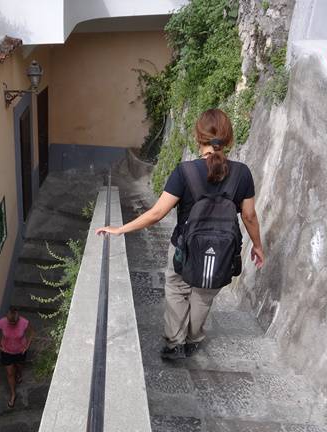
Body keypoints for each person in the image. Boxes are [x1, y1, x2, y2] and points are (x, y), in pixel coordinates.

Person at [97, 109, 264, 360]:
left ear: (198, 138)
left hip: (183, 249)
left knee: (177, 288)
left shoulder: (185, 172)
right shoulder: (242, 173)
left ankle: (174, 341)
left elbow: (157, 213)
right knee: (204, 295)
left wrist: (120, 229)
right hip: (221, 253)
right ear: (229, 140)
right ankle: (193, 339)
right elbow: (249, 216)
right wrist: (257, 246)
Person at [0, 308, 33, 408]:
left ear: (18, 319)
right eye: (10, 322)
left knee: (19, 367)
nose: (12, 324)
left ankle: (19, 374)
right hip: (7, 352)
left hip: (20, 352)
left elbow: (32, 333)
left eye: (14, 323)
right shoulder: (2, 322)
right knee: (10, 373)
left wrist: (27, 346)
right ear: (7, 318)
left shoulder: (24, 322)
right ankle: (13, 394)